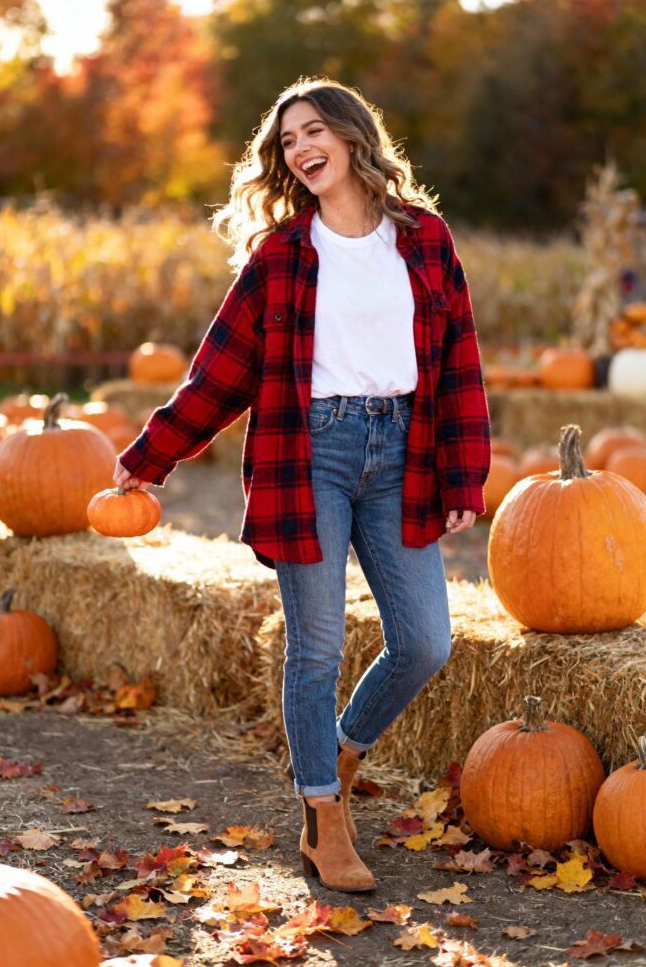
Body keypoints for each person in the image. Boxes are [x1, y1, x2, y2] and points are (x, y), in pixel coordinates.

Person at [115, 77, 491, 895]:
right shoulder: (281, 256)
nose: (299, 148)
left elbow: (458, 360)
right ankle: (322, 816)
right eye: (287, 141)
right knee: (314, 647)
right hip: (309, 453)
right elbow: (219, 375)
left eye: (314, 130)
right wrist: (151, 453)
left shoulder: (424, 240)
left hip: (402, 450)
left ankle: (343, 751)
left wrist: (463, 473)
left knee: (425, 641)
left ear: (354, 138)